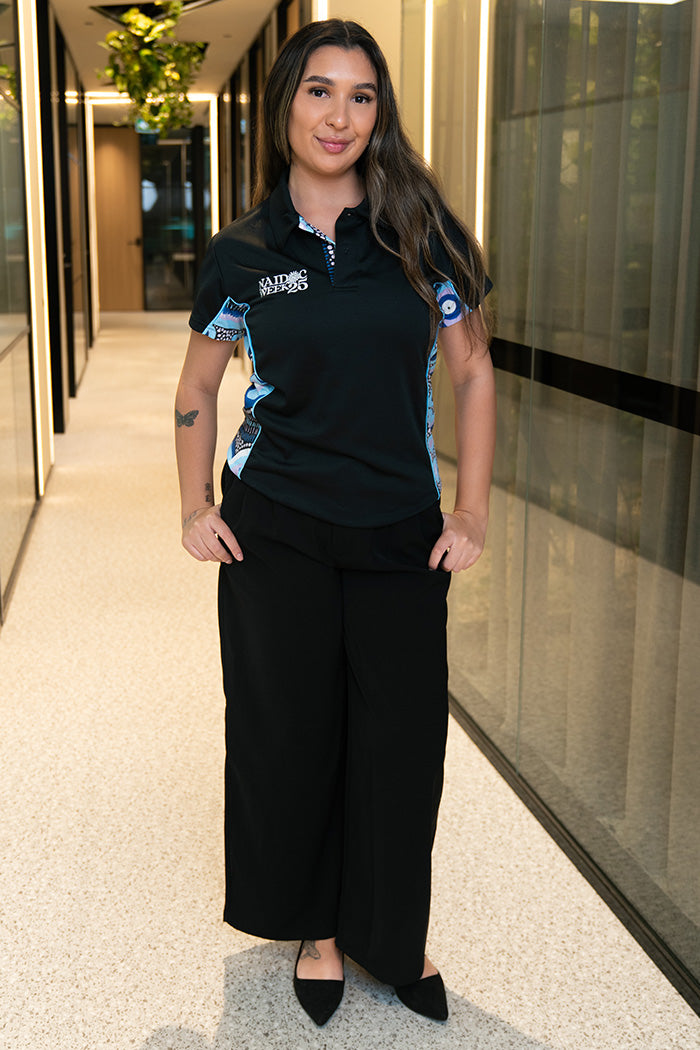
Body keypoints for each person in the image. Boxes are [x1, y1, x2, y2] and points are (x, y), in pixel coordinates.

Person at [175, 18, 495, 1028]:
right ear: (287, 105)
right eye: (320, 90)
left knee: (402, 744)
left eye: (361, 96)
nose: (339, 115)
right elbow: (197, 387)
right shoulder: (243, 252)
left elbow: (474, 374)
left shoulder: (421, 234)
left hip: (399, 530)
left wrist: (472, 508)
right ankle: (315, 930)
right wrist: (193, 505)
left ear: (378, 113)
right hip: (276, 528)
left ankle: (390, 934)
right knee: (290, 733)